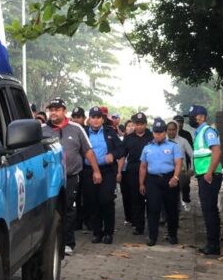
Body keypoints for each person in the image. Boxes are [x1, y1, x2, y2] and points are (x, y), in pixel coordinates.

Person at [47, 98, 102, 255]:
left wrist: (96, 170)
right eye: (51, 109)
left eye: (57, 109)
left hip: (70, 176)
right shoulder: (42, 129)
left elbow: (88, 151)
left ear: (64, 111)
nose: (53, 112)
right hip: (48, 179)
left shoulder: (76, 128)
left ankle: (67, 242)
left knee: (68, 208)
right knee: (50, 209)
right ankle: (50, 242)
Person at [82, 106, 124, 244]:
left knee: (106, 200)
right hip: (89, 172)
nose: (95, 120)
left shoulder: (109, 131)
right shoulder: (83, 133)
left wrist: (113, 154)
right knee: (93, 201)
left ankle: (108, 232)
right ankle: (97, 231)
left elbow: (121, 148)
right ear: (89, 119)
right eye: (93, 117)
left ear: (102, 119)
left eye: (98, 117)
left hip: (107, 171)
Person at [139, 119, 183, 246]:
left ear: (165, 133)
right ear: (153, 133)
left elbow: (178, 162)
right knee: (153, 208)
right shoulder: (147, 148)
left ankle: (172, 235)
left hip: (169, 179)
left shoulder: (173, 146)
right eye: (156, 132)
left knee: (171, 209)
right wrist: (141, 183)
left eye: (161, 132)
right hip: (152, 180)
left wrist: (175, 177)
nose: (158, 134)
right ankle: (152, 237)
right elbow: (143, 166)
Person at [187, 105, 223, 255]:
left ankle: (213, 245)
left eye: (192, 116)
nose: (190, 119)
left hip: (210, 176)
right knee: (208, 210)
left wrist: (209, 172)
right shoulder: (199, 132)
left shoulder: (208, 131)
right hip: (204, 175)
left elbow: (216, 151)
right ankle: (212, 243)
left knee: (210, 211)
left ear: (201, 116)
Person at [121, 112, 152, 235]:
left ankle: (152, 225)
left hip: (150, 172)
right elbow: (123, 155)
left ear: (145, 124)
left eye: (141, 124)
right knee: (136, 199)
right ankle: (139, 226)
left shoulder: (151, 136)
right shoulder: (128, 138)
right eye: (137, 124)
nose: (139, 126)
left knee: (151, 200)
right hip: (133, 172)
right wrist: (119, 172)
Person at [167, 120, 194, 211]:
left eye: (173, 129)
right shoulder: (164, 141)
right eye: (169, 130)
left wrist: (191, 168)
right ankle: (175, 209)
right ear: (166, 130)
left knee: (183, 187)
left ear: (177, 130)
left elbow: (192, 154)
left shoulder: (183, 141)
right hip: (168, 171)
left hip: (181, 171)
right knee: (172, 191)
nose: (171, 132)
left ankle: (185, 201)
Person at [173, 114, 194, 205]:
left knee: (185, 183)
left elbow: (191, 151)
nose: (179, 124)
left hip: (185, 163)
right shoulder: (169, 135)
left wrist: (191, 166)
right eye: (177, 122)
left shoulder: (186, 134)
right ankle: (176, 205)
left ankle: (186, 199)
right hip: (173, 165)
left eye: (181, 122)